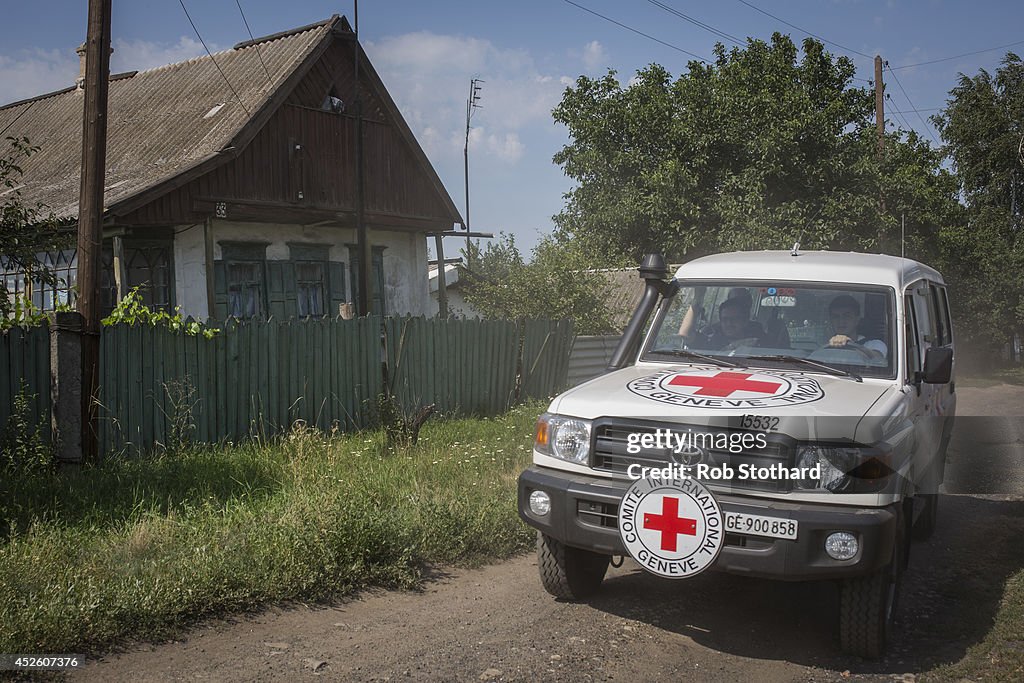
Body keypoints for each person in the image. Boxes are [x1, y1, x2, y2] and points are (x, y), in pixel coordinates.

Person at [679, 292, 764, 351]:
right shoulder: (713, 341)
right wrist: (698, 298)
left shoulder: (760, 344)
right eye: (725, 319)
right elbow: (685, 334)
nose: (729, 324)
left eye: (734, 319)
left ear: (745, 321)